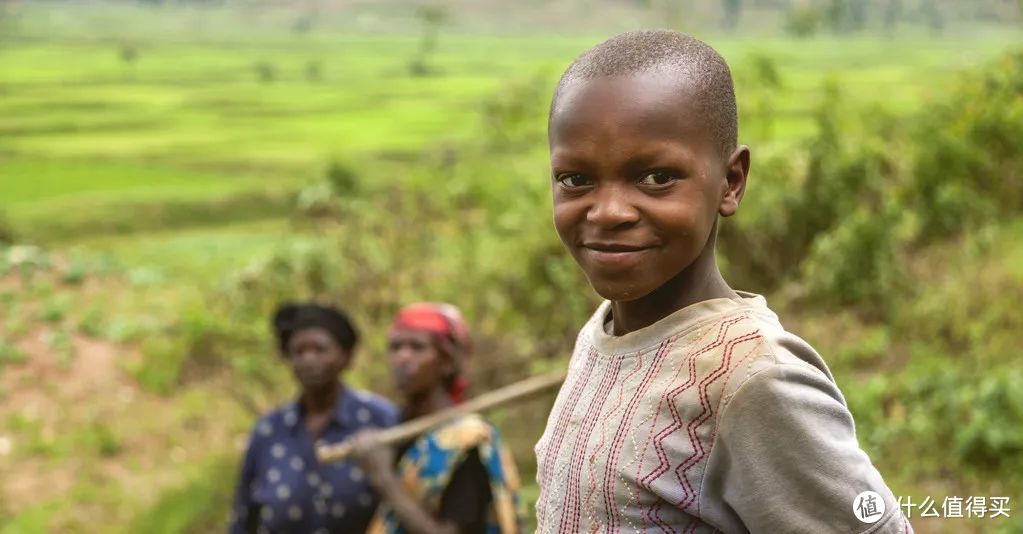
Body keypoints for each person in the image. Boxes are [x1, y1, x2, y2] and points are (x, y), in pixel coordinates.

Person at [534, 30, 913, 533]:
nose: (609, 212)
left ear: (730, 182)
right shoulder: (604, 333)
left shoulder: (752, 378)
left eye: (656, 177)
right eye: (576, 179)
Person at [350, 302, 524, 534]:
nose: (402, 357)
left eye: (417, 347)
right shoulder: (393, 428)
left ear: (447, 362)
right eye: (396, 346)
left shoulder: (466, 441)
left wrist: (384, 479)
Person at [230, 302, 399, 534]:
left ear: (345, 357)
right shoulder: (269, 431)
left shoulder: (381, 419)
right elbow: (244, 517)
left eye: (320, 350)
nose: (309, 360)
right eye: (299, 352)